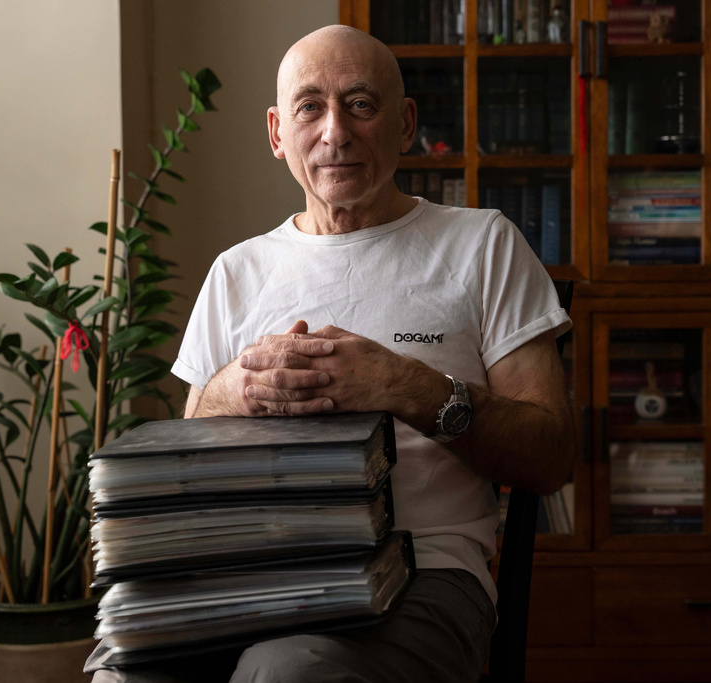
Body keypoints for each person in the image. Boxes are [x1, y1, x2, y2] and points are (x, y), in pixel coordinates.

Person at [88, 24, 573, 683]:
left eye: (361, 104)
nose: (335, 132)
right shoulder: (237, 271)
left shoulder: (481, 246)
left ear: (404, 124)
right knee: (131, 670)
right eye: (310, 106)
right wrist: (230, 390)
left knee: (286, 672)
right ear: (276, 133)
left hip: (424, 575)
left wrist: (411, 387)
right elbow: (185, 468)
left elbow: (549, 455)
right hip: (248, 573)